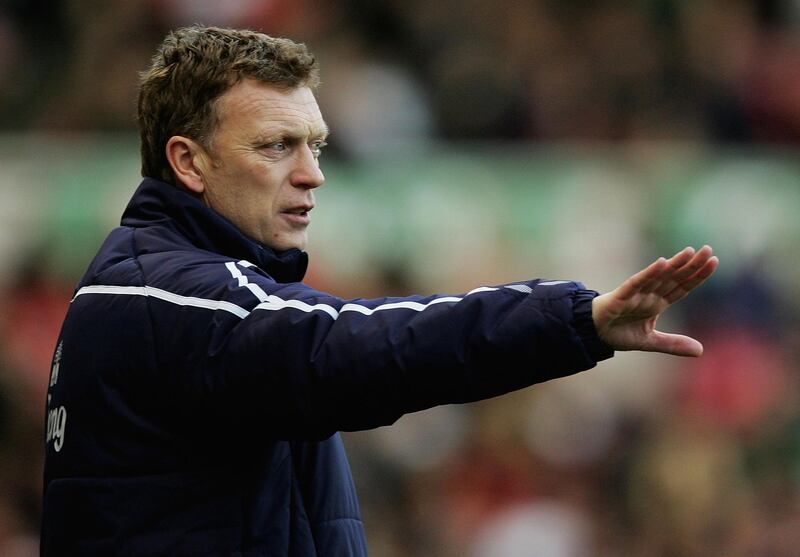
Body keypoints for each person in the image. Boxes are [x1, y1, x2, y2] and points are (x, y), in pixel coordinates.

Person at [40, 25, 718, 556]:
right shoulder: (172, 298)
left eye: (317, 146)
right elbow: (357, 344)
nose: (313, 175)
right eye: (277, 146)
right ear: (188, 160)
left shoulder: (154, 286)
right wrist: (575, 319)